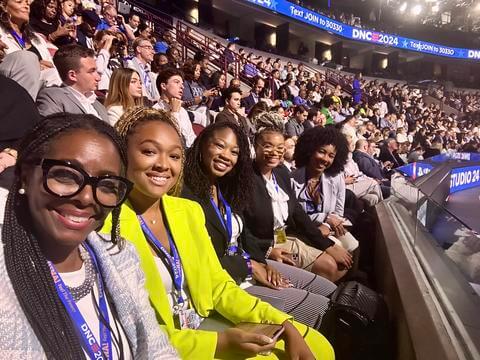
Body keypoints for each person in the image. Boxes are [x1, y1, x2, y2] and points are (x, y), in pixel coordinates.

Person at [105, 107, 333, 360]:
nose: (163, 165)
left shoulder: (187, 211)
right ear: (121, 153)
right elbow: (127, 331)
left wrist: (283, 323)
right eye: (149, 151)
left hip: (205, 320)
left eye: (174, 156)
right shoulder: (105, 225)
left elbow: (218, 285)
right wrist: (218, 343)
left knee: (317, 345)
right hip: (169, 346)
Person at [0, 113, 179, 359]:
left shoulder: (121, 257)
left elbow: (157, 350)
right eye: (65, 175)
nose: (86, 197)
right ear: (25, 175)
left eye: (106, 185)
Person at [182, 121, 337, 330]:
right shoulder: (186, 196)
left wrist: (259, 262)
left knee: (328, 289)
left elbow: (241, 233)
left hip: (249, 264)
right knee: (323, 309)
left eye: (234, 151)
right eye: (219, 146)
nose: (226, 156)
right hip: (229, 284)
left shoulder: (224, 185)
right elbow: (202, 258)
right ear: (201, 145)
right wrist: (253, 264)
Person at [243, 112, 352, 282]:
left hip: (283, 237)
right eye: (268, 146)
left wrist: (327, 245)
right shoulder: (245, 178)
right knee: (330, 267)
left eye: (280, 148)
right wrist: (267, 252)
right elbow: (240, 227)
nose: (274, 152)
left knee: (340, 260)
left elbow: (298, 214)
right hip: (264, 246)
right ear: (256, 146)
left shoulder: (281, 174)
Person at [290, 126, 360, 254]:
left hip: (330, 227)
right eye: (322, 151)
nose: (325, 159)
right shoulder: (292, 179)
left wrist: (327, 225)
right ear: (310, 150)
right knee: (339, 248)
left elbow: (338, 211)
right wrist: (324, 219)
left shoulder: (336, 178)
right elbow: (294, 217)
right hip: (303, 230)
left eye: (331, 155)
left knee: (353, 245)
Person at [0, 0, 60, 96]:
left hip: (39, 88)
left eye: (27, 3)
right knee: (27, 58)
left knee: (52, 74)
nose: (26, 6)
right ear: (4, 6)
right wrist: (34, 64)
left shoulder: (37, 39)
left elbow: (50, 65)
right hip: (7, 84)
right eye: (19, 2)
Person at [36, 44, 109, 122]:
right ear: (72, 75)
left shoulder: (97, 104)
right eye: (91, 71)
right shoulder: (52, 97)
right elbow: (51, 131)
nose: (98, 78)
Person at [153, 67, 196, 147]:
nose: (182, 87)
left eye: (182, 84)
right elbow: (170, 139)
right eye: (177, 82)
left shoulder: (182, 111)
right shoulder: (155, 111)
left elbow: (191, 138)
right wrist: (174, 113)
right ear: (163, 86)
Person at [125, 36, 159, 102]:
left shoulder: (149, 71)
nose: (153, 52)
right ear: (138, 49)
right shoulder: (130, 65)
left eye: (152, 49)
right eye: (148, 48)